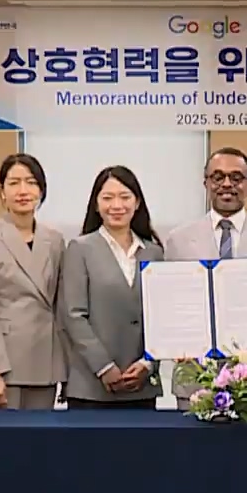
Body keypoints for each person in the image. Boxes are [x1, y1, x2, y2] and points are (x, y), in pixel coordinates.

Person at [0, 153, 67, 411]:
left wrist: (64, 369)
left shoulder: (55, 240)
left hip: (44, 362)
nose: (23, 190)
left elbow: (61, 306)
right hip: (3, 365)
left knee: (40, 436)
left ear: (41, 190)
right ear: (2, 192)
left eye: (31, 182)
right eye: (14, 183)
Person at [61, 165, 165, 408]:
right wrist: (104, 367)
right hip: (91, 388)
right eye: (108, 198)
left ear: (137, 203)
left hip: (141, 385)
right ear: (96, 205)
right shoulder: (80, 249)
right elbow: (73, 316)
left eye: (124, 197)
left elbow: (161, 317)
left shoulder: (154, 252)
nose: (117, 205)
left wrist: (148, 364)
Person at [165, 146, 247, 326]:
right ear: (206, 184)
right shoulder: (178, 241)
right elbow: (169, 302)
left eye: (236, 178)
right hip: (196, 340)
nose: (226, 184)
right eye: (218, 177)